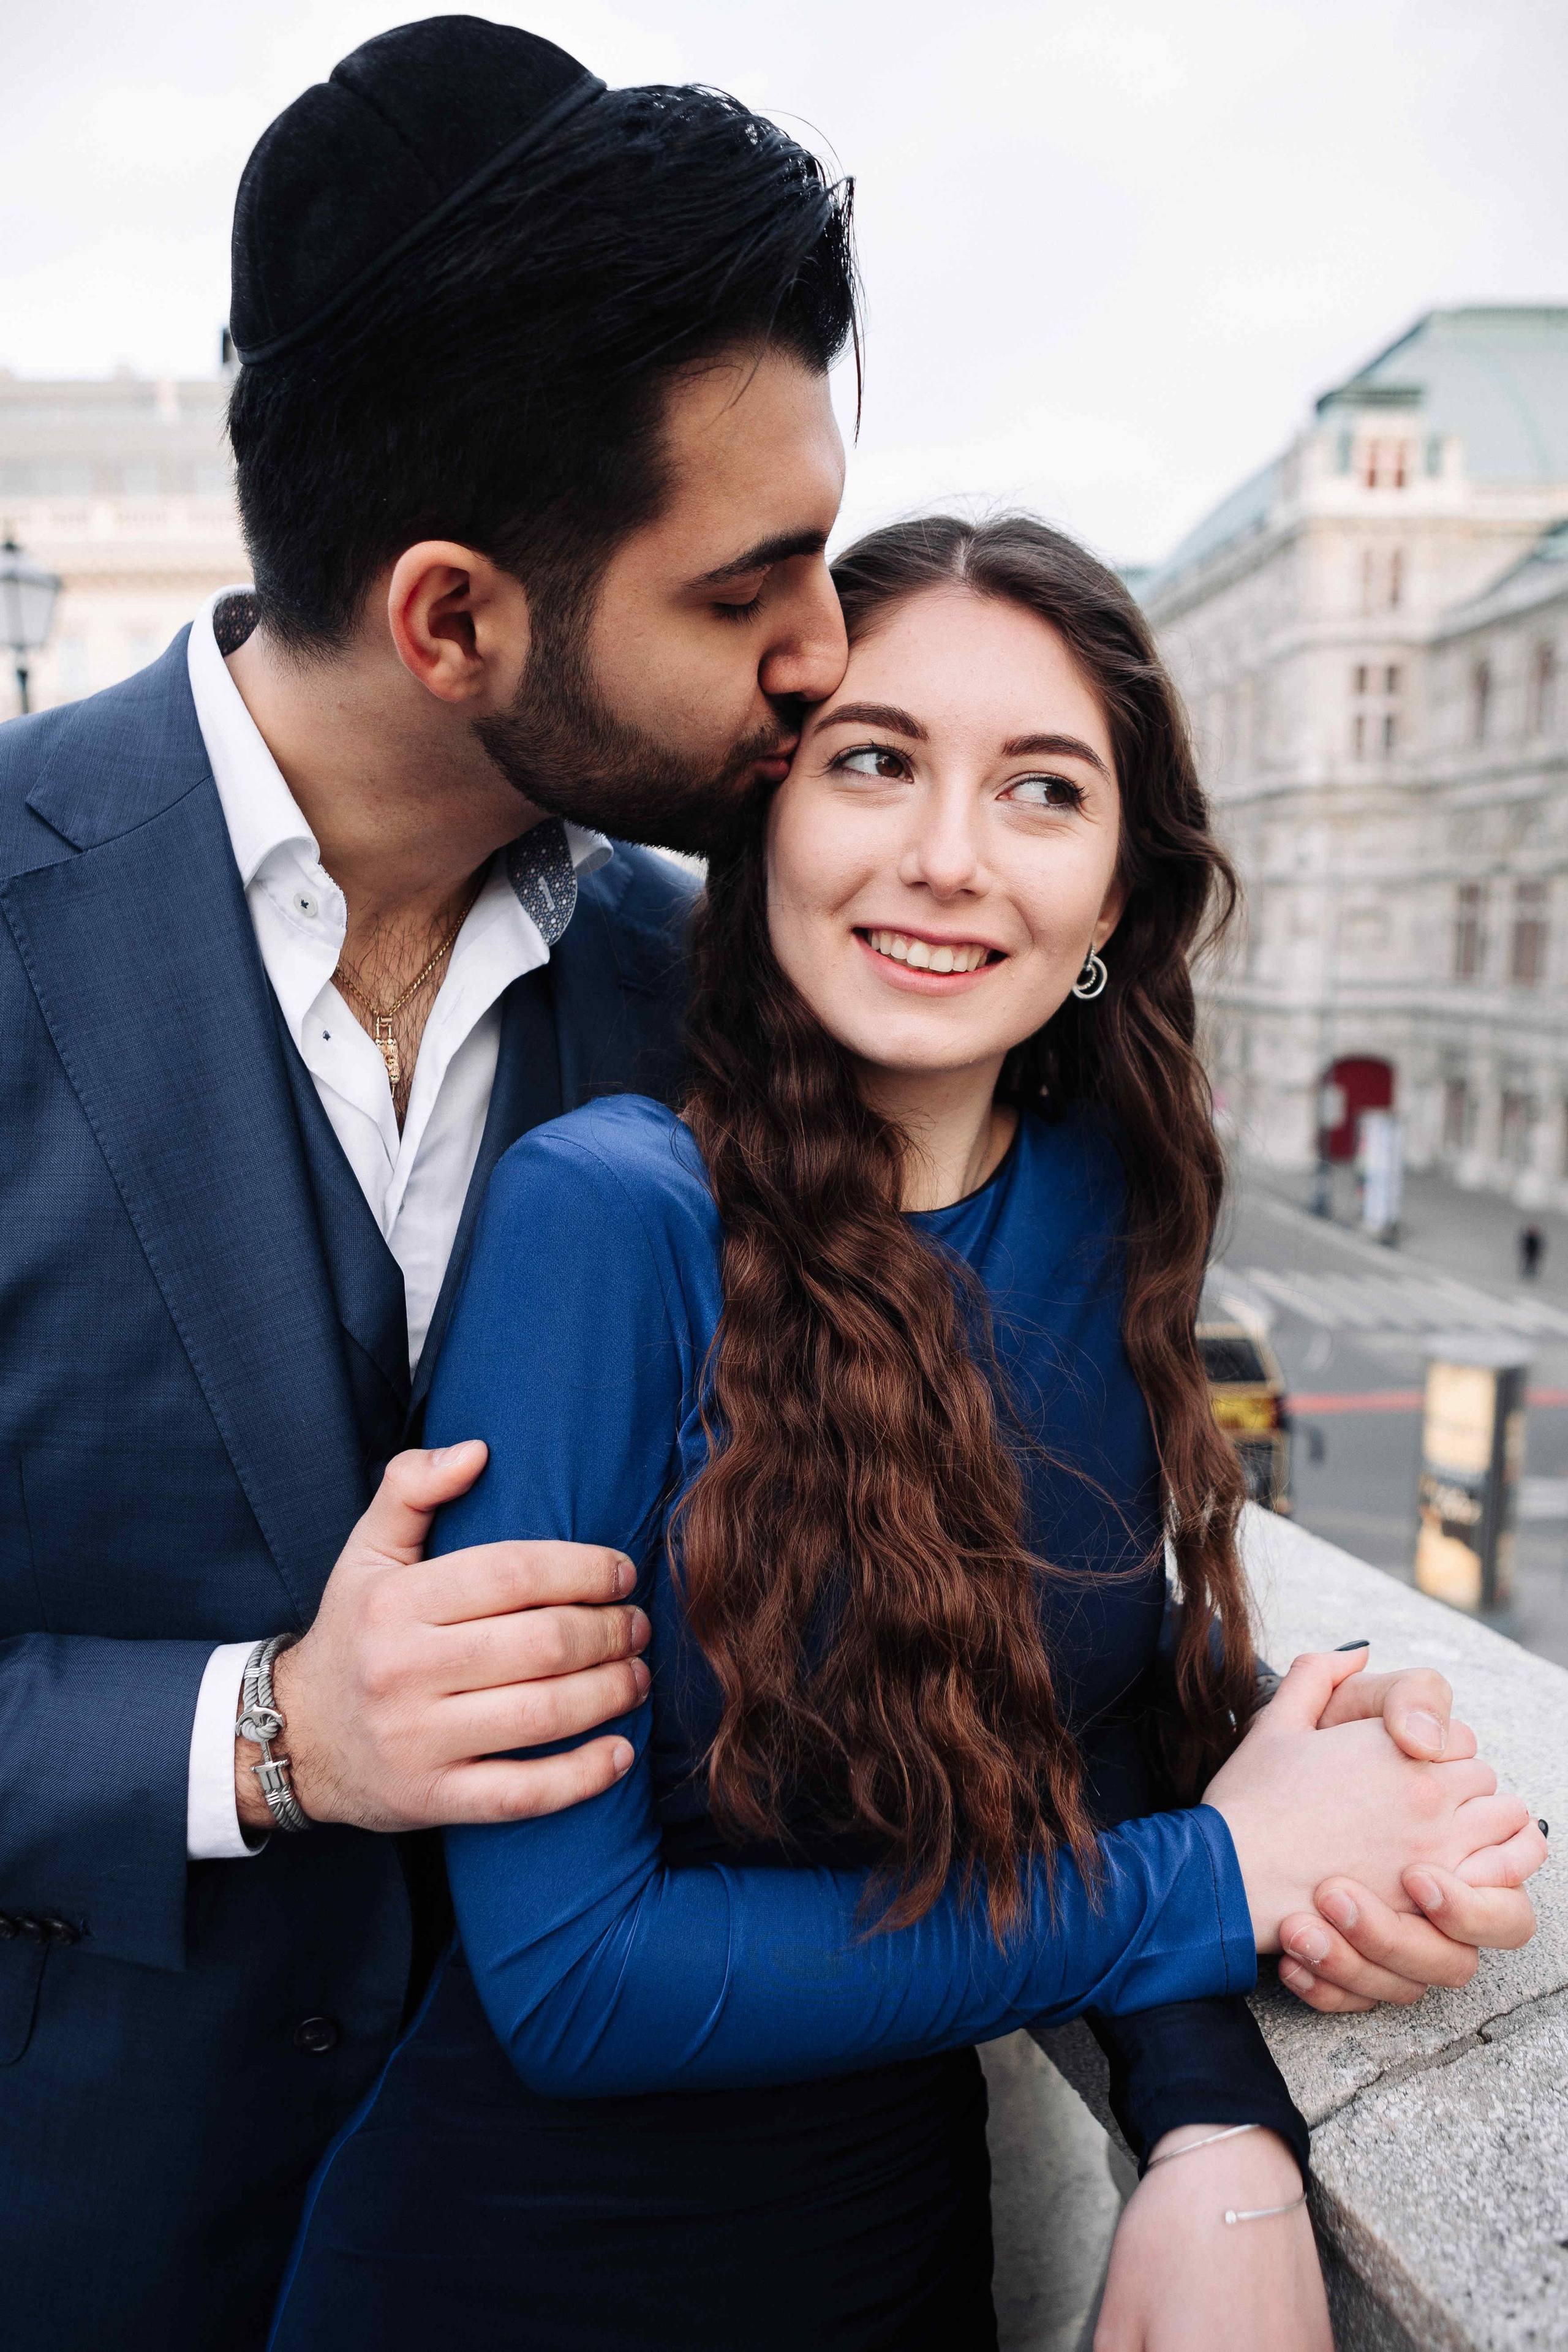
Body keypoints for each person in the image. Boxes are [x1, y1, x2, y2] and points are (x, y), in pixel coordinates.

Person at [268, 518, 1546, 2352]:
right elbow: (571, 1977)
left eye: (1042, 791)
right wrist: (1212, 1881)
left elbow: (1078, 1727)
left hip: (901, 2262)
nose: (946, 860)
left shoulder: (1106, 1198)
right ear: (769, 820)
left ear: (1113, 896)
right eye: (876, 763)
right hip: (520, 2275)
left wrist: (1214, 2114)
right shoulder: (609, 1221)